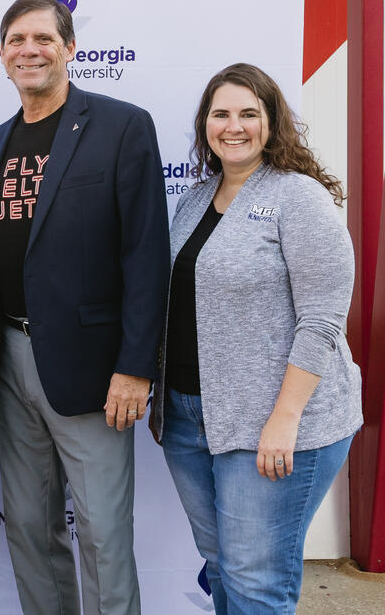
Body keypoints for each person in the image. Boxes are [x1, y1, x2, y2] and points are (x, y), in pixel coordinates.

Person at [151, 63, 362, 614]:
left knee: (255, 582)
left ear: (272, 123)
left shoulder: (299, 198)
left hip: (274, 424)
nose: (234, 126)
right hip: (188, 417)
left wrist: (285, 418)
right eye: (221, 114)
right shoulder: (194, 199)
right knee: (222, 568)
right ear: (205, 125)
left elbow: (322, 319)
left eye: (249, 113)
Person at [0, 0, 169, 615]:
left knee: (104, 536)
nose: (29, 50)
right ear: (1, 56)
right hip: (8, 359)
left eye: (43, 39)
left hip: (94, 367)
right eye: (17, 41)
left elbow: (146, 254)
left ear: (69, 48)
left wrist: (136, 365)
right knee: (30, 530)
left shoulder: (122, 125)